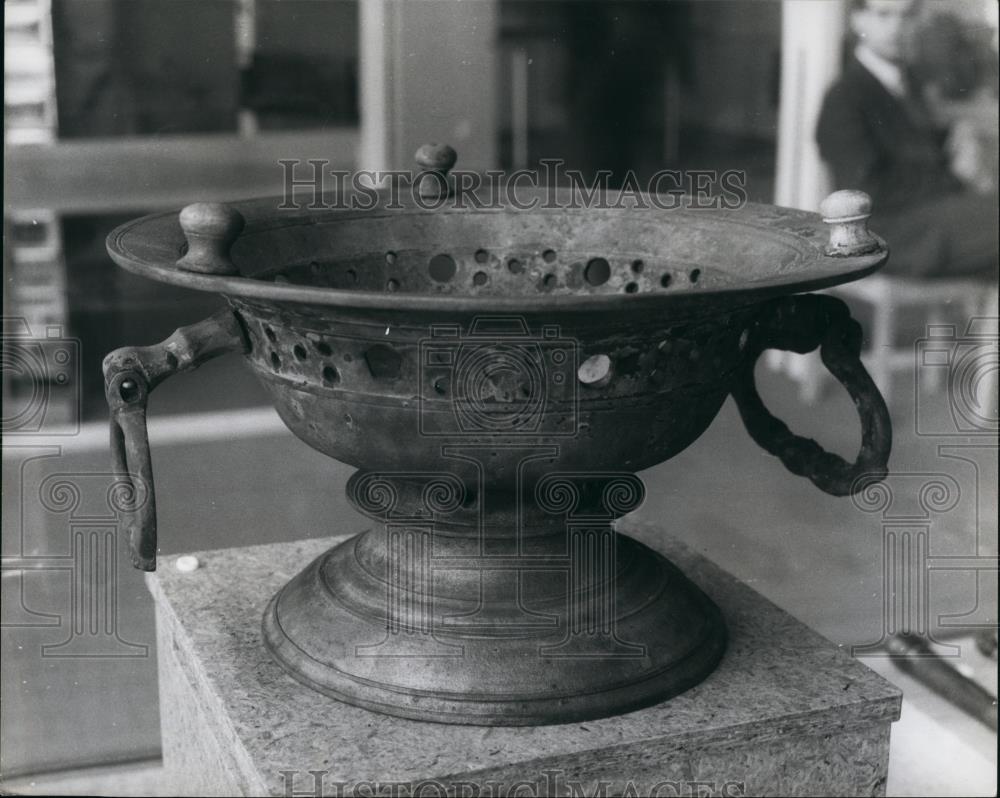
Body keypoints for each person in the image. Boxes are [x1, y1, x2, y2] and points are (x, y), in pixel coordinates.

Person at [816, 0, 998, 279]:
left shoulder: (908, 82)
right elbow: (868, 191)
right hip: (888, 234)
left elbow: (913, 146)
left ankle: (987, 322)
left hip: (928, 219)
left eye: (907, 15)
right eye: (884, 15)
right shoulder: (845, 97)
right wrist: (954, 177)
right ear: (858, 20)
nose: (897, 27)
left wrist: (955, 137)